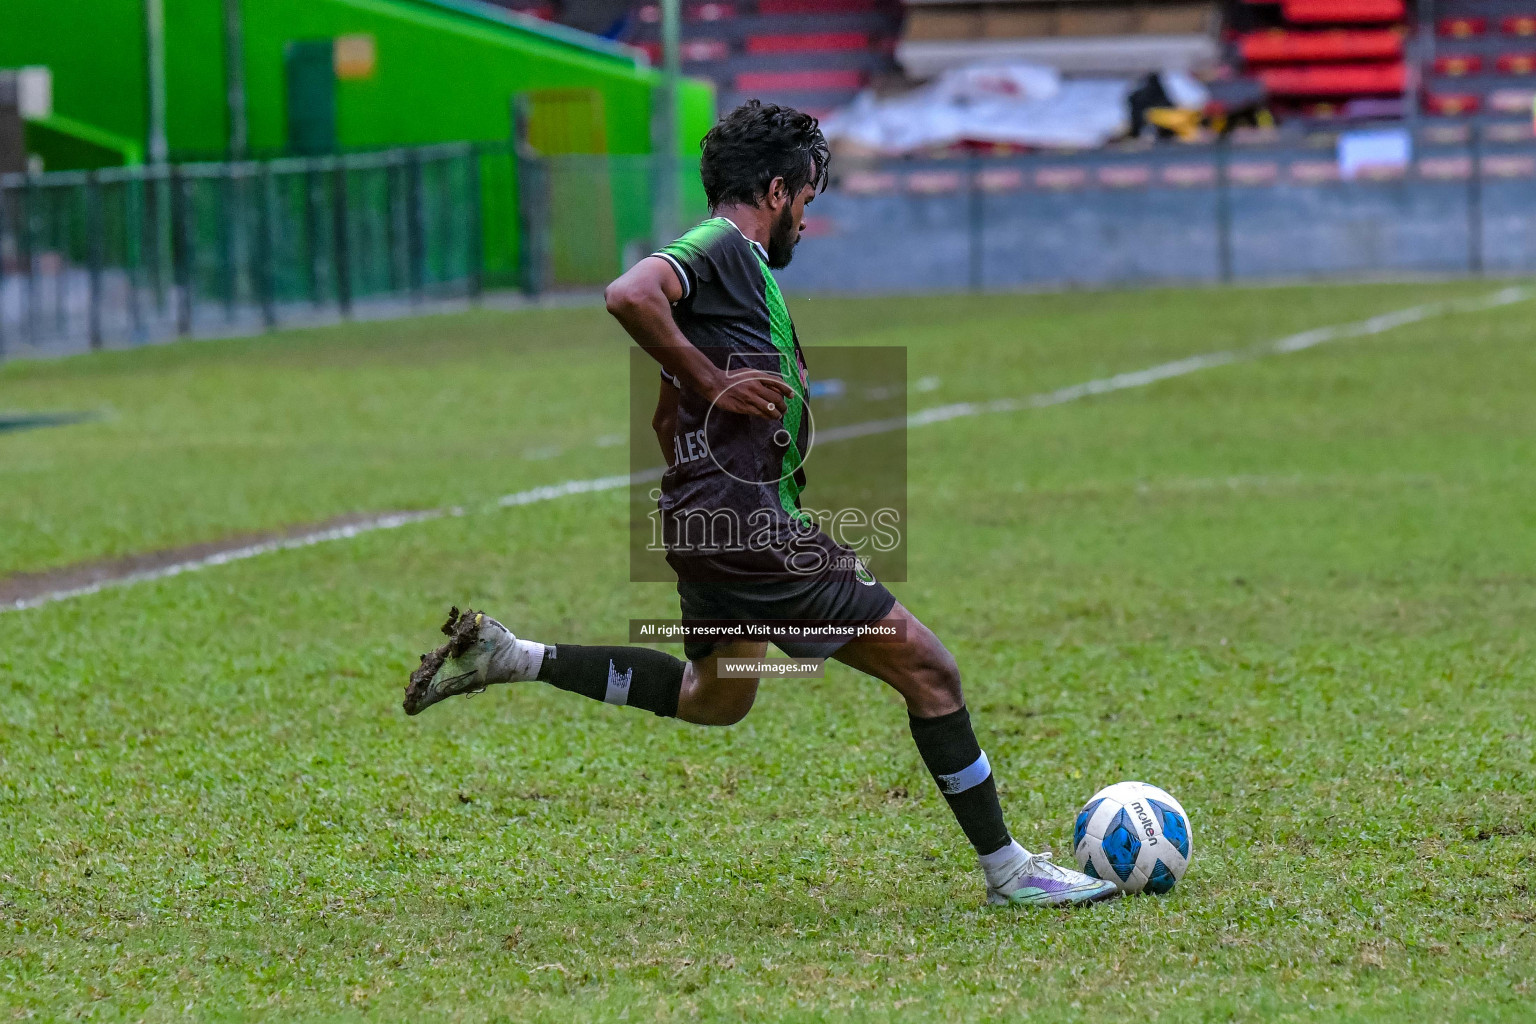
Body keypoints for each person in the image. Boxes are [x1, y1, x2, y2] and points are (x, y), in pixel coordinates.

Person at [403, 101, 1118, 908]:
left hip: (712, 522)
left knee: (718, 698)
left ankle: (511, 656)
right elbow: (628, 293)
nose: (806, 222)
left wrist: (697, 420)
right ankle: (1010, 872)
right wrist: (711, 385)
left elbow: (664, 407)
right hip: (750, 530)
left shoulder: (735, 278)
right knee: (930, 669)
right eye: (807, 201)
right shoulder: (723, 246)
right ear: (775, 190)